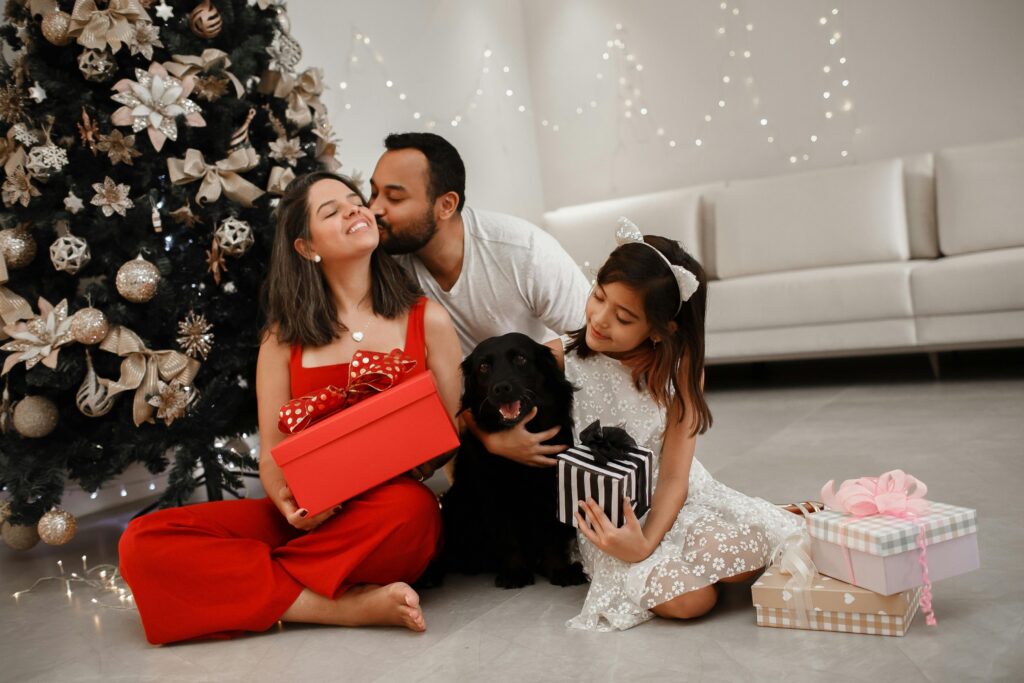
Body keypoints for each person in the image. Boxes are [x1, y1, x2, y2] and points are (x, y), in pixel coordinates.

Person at [118, 172, 463, 644]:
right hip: (305, 522)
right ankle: (337, 607)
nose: (355, 210)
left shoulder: (429, 318)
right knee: (143, 541)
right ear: (306, 248)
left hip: (383, 518)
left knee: (414, 511)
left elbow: (451, 427)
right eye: (331, 211)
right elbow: (273, 455)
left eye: (355, 201)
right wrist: (287, 502)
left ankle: (239, 586)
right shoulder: (281, 340)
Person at [544, 220, 803, 631]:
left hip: (676, 496)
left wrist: (648, 543)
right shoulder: (562, 357)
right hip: (615, 513)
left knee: (740, 560)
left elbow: (675, 477)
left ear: (661, 331)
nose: (599, 319)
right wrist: (496, 436)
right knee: (691, 602)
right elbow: (484, 390)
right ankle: (747, 527)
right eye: (597, 296)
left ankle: (769, 516)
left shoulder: (679, 370)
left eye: (624, 317)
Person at [369, 132, 591, 467]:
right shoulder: (389, 270)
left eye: (394, 198)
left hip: (541, 415)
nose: (374, 210)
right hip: (467, 424)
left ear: (446, 205)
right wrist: (485, 435)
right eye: (372, 194)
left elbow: (593, 339)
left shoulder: (523, 251)